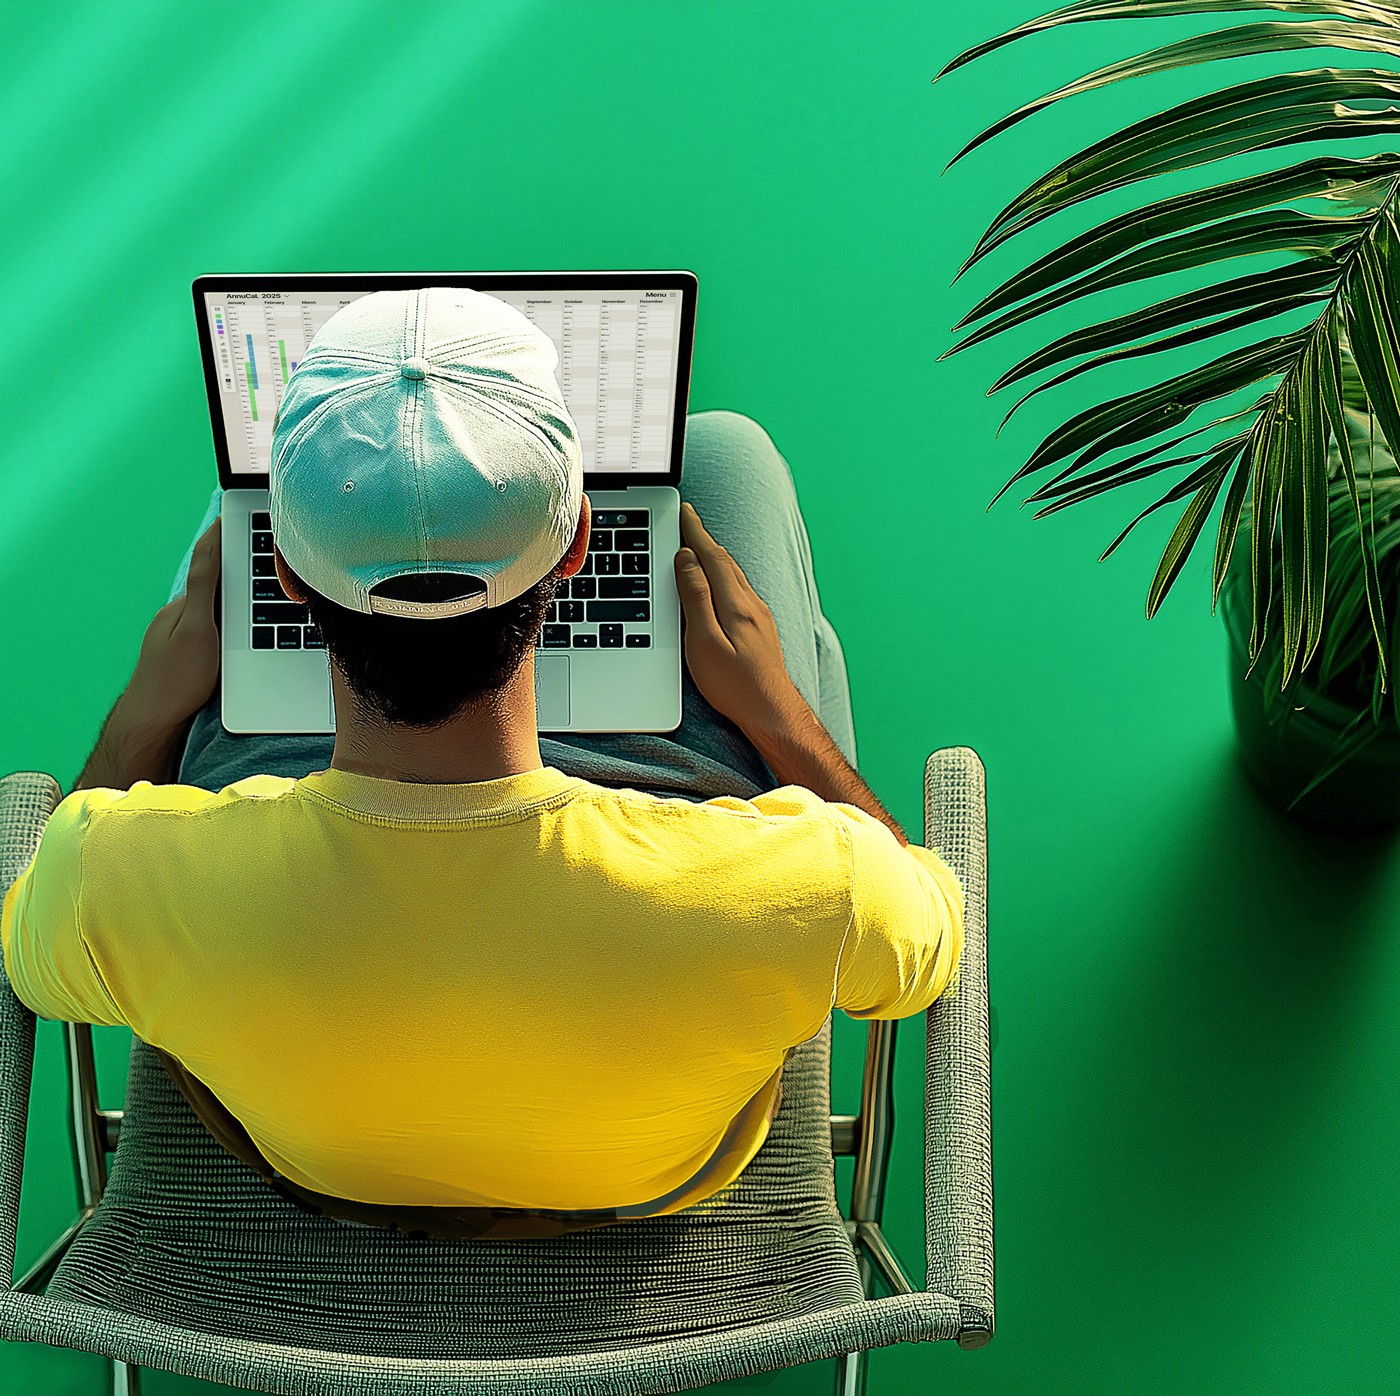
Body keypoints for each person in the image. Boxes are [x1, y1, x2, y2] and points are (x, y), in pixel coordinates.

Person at [1, 287, 964, 1243]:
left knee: (233, 488)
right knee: (727, 456)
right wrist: (776, 710)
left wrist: (146, 708)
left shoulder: (109, 880)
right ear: (581, 541)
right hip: (659, 1169)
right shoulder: (812, 890)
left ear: (285, 575)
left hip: (312, 1166)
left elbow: (36, 949)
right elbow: (927, 942)